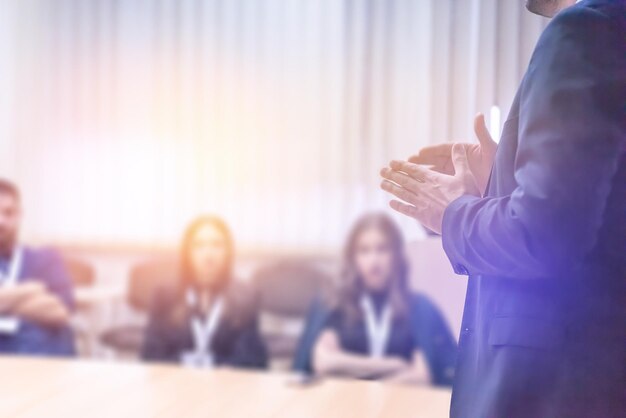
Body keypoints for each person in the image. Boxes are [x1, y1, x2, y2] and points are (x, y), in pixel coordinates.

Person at [380, 0, 625, 416]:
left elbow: (544, 235)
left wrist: (452, 212)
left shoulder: (582, 30)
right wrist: (498, 182)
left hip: (549, 389)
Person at [305, 213, 456, 385]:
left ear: (396, 255)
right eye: (364, 251)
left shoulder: (417, 308)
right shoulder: (336, 303)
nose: (374, 261)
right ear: (353, 257)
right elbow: (324, 362)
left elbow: (421, 376)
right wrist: (393, 365)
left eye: (382, 249)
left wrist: (369, 389)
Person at [142, 216, 267, 369]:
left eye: (217, 245)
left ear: (228, 252)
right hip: (174, 385)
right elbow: (150, 355)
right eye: (198, 245)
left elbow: (251, 359)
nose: (208, 254)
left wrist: (208, 365)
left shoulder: (246, 297)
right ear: (187, 252)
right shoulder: (164, 295)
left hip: (225, 386)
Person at [0, 179, 75, 356]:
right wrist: (30, 290)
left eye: (8, 213)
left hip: (43, 357)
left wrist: (5, 300)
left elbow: (59, 311)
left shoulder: (46, 258)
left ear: (19, 215)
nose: (1, 221)